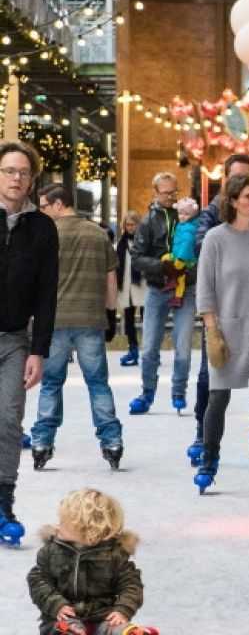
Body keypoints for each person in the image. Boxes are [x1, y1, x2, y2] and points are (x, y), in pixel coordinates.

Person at [193, 176, 249, 495]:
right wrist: (211, 329)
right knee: (218, 396)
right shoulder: (216, 238)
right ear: (232, 201)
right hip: (228, 328)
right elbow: (205, 287)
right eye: (247, 196)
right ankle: (208, 461)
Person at [30, 184, 123, 472]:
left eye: (44, 206)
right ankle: (112, 441)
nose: (42, 211)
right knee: (98, 383)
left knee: (51, 383)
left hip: (54, 321)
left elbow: (35, 281)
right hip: (90, 320)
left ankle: (42, 442)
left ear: (59, 204)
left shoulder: (46, 234)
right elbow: (111, 281)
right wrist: (110, 312)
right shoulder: (99, 234)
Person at [0, 142, 56, 546]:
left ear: (32, 178)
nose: (15, 178)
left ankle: (3, 502)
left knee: (8, 418)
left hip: (14, 340)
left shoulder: (42, 228)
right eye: (8, 170)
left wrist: (39, 349)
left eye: (22, 172)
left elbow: (46, 293)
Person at [26, 488, 150, 635]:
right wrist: (57, 605)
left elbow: (131, 585)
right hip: (64, 616)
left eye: (64, 523)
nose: (58, 526)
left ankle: (127, 632)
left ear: (89, 530)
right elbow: (38, 582)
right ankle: (69, 632)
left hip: (103, 615)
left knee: (114, 627)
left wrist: (123, 609)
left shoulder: (114, 555)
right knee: (61, 627)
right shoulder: (51, 552)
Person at [129, 171, 194, 416]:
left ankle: (179, 391)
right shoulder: (147, 222)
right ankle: (147, 392)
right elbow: (136, 257)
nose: (170, 197)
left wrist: (188, 268)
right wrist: (161, 266)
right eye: (166, 193)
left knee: (184, 345)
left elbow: (198, 247)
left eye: (174, 192)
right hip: (157, 289)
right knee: (149, 347)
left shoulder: (187, 217)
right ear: (155, 193)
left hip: (185, 288)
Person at [111, 212, 145, 368]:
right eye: (128, 225)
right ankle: (133, 348)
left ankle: (150, 350)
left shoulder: (144, 241)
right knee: (129, 320)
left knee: (147, 319)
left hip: (142, 285)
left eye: (133, 224)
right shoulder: (121, 244)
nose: (130, 228)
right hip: (125, 286)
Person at [163, 197, 200, 308]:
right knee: (164, 258)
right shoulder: (181, 225)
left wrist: (181, 258)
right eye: (180, 214)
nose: (182, 217)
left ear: (192, 215)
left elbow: (187, 245)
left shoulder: (190, 228)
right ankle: (171, 279)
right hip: (176, 254)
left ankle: (177, 298)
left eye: (186, 214)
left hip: (185, 258)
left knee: (181, 277)